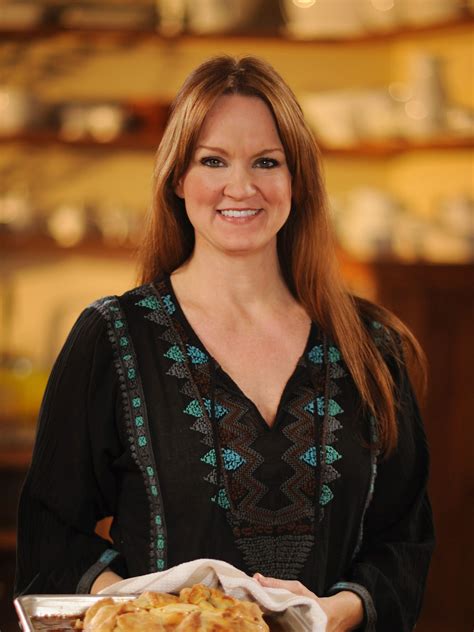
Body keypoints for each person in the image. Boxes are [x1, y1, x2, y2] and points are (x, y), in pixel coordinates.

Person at [15, 55, 434, 631]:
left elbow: (403, 539)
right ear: (178, 180)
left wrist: (333, 614)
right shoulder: (112, 338)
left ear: (297, 181)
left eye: (267, 161)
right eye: (213, 161)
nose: (242, 187)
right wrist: (146, 615)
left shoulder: (371, 346)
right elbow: (50, 533)